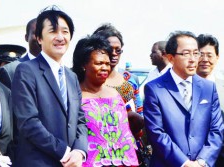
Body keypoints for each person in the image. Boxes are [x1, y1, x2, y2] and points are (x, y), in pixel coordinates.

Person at [11, 6, 88, 167]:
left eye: (65, 32)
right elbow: (28, 122)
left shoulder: (71, 76)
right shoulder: (26, 70)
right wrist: (65, 152)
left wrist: (80, 151)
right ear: (39, 38)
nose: (60, 37)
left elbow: (80, 120)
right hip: (39, 162)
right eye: (53, 31)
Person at [143, 31, 224, 167]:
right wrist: (185, 163)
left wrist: (202, 161)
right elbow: (156, 132)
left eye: (196, 53)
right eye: (186, 54)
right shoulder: (155, 88)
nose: (193, 59)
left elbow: (216, 129)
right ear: (171, 58)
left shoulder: (208, 88)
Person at [72, 34, 139, 167]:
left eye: (107, 64)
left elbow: (125, 134)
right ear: (83, 65)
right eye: (99, 63)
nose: (105, 68)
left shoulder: (116, 94)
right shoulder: (74, 96)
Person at [93, 23, 143, 116]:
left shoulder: (130, 80)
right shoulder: (86, 81)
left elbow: (139, 113)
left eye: (118, 50)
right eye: (109, 49)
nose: (114, 53)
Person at [196, 34, 224, 167]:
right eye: (201, 54)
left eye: (210, 55)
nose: (205, 59)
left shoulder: (222, 87)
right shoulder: (182, 88)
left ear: (217, 58)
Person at [0, 18, 41, 89]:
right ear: (26, 37)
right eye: (36, 33)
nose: (40, 37)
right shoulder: (10, 70)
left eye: (44, 33)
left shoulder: (58, 69)